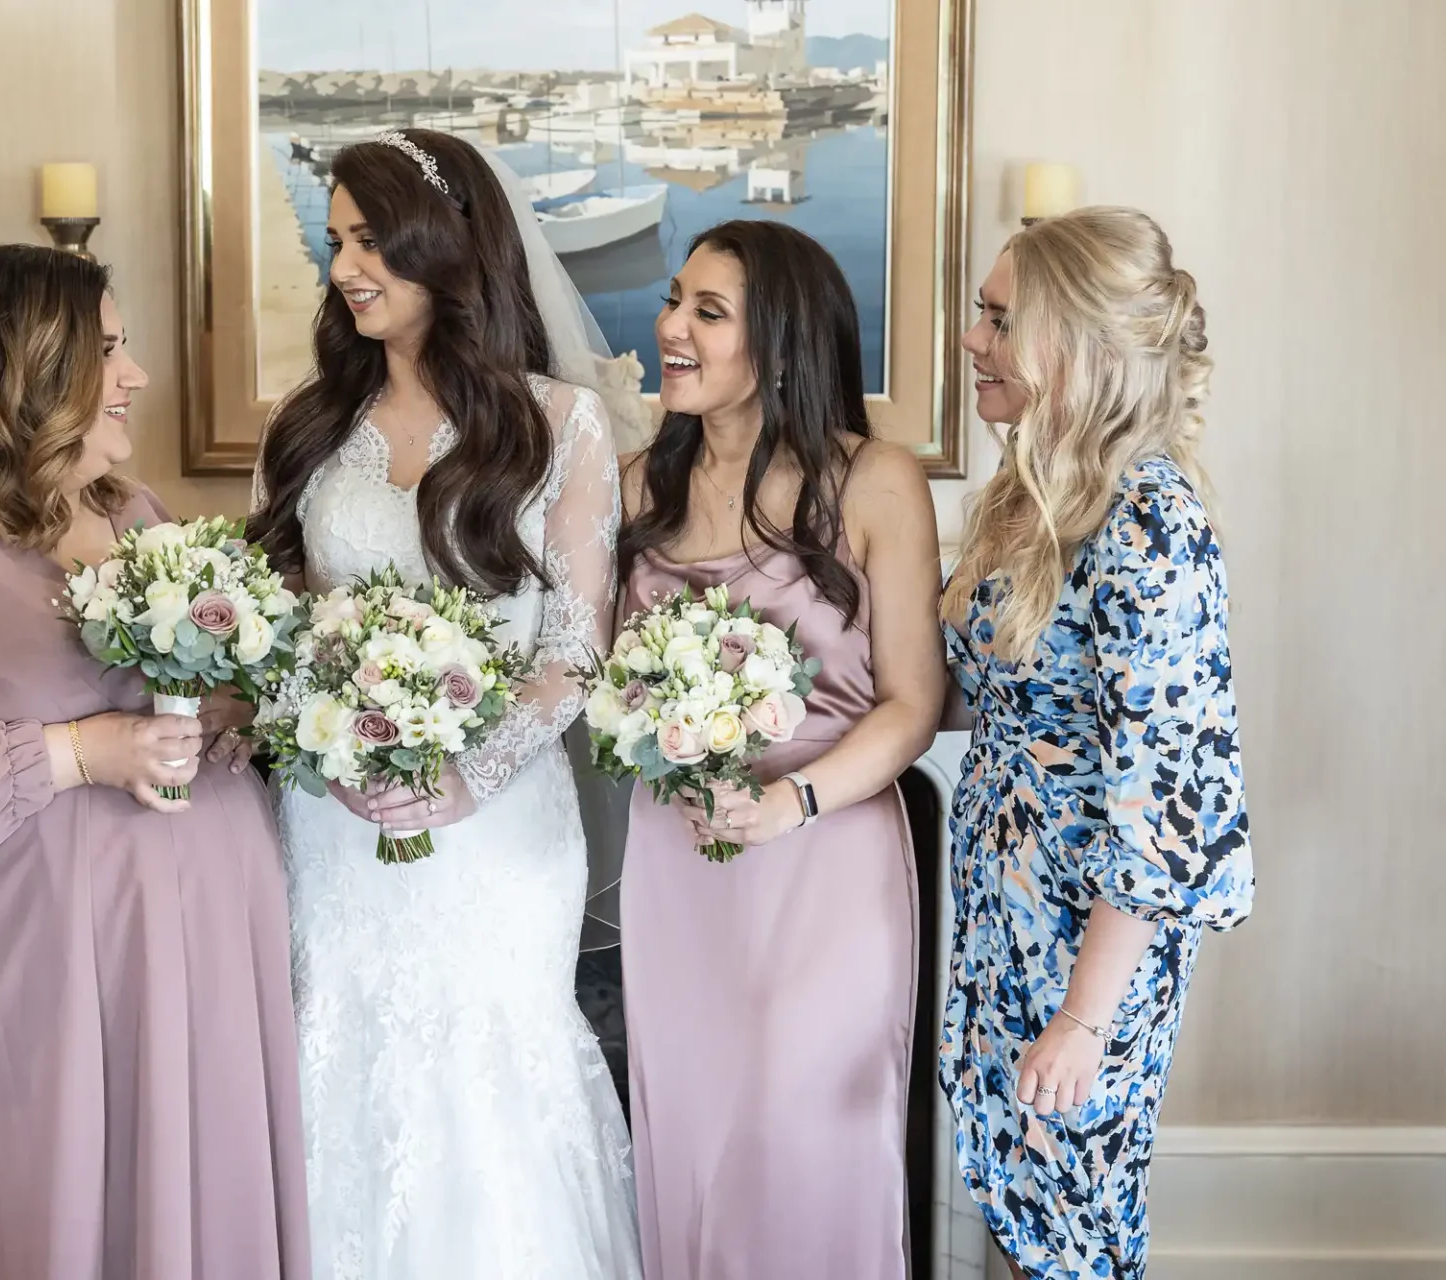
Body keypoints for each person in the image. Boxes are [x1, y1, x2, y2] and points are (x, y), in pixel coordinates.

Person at [0, 245, 308, 1280]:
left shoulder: (137, 515)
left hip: (189, 959)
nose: (137, 374)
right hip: (40, 976)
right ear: (29, 371)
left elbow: (175, 691)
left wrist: (228, 710)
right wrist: (78, 752)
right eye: (108, 350)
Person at [244, 128, 642, 1279]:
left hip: (500, 831)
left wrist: (464, 775)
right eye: (334, 243)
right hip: (337, 818)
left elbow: (574, 647)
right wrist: (308, 723)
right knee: (340, 1058)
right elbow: (272, 627)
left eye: (370, 239)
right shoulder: (304, 426)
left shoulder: (558, 424)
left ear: (447, 243)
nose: (345, 268)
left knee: (491, 1075)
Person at [615, 220, 947, 1280]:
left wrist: (789, 801)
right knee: (696, 1139)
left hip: (825, 855)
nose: (669, 328)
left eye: (707, 313)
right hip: (676, 863)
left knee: (803, 1141)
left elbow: (912, 702)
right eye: (675, 302)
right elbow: (596, 677)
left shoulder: (873, 479)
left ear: (787, 345)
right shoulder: (636, 490)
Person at [943, 206, 1256, 1279]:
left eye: (996, 319)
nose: (971, 340)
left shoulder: (1151, 525)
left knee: (1071, 1218)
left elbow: (1171, 804)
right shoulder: (1029, 497)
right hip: (1005, 910)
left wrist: (1084, 1017)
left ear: (1069, 345)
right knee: (1016, 1200)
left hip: (1089, 939)